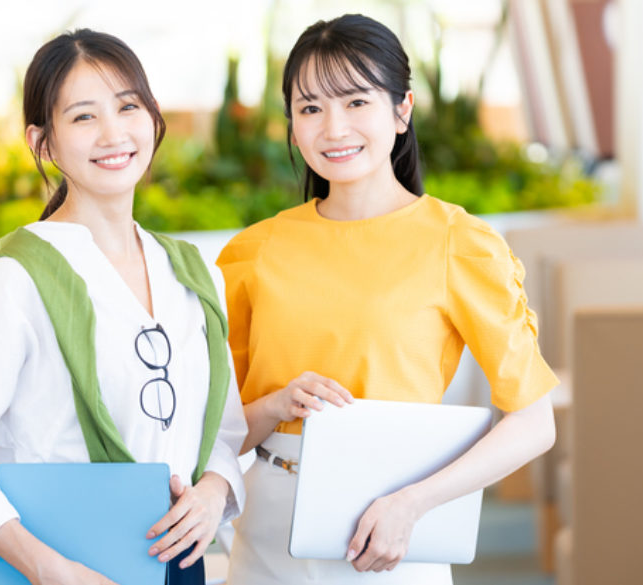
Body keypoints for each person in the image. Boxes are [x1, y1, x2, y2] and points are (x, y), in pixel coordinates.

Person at [217, 14, 558, 585]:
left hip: (394, 528)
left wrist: (413, 504)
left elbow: (533, 422)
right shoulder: (253, 252)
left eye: (356, 102)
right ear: (292, 128)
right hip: (267, 535)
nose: (333, 128)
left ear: (402, 110)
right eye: (310, 108)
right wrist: (275, 404)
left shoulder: (457, 243)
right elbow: (219, 433)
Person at [0, 29, 246, 585]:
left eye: (128, 107)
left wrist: (215, 490)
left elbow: (224, 435)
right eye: (84, 116)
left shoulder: (191, 272)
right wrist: (50, 571)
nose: (113, 133)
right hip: (64, 570)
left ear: (153, 117)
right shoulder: (18, 279)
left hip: (180, 568)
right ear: (43, 143)